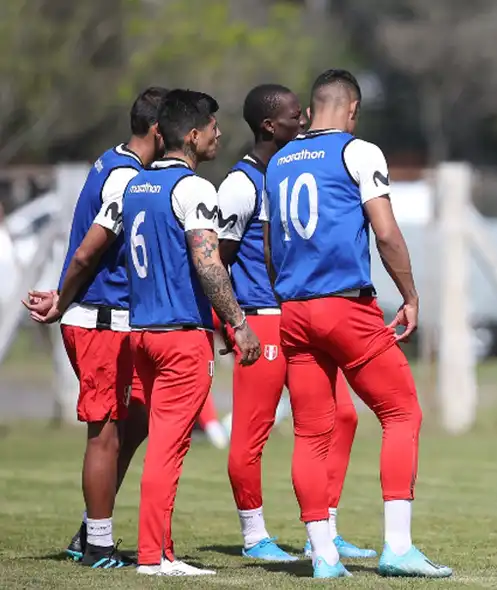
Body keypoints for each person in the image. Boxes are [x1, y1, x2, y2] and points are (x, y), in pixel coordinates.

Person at [262, 68, 451, 579]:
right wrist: (410, 296)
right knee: (401, 413)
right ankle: (398, 547)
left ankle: (323, 557)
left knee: (310, 432)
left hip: (295, 310)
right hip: (345, 306)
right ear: (351, 109)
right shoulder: (357, 151)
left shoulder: (277, 162)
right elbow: (386, 233)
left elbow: (271, 247)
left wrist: (290, 292)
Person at [216, 83, 374, 562]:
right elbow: (214, 261)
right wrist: (229, 322)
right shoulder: (242, 183)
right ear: (269, 126)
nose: (302, 122)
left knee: (341, 417)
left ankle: (321, 528)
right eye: (292, 117)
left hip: (300, 318)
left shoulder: (291, 168)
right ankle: (253, 534)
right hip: (261, 322)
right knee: (251, 431)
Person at [21, 87, 169, 568]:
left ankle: (90, 528)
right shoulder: (125, 179)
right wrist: (62, 300)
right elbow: (87, 250)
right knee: (104, 434)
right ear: (158, 131)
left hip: (111, 320)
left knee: (137, 421)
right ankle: (99, 545)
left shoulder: (114, 161)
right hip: (100, 321)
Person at [122, 88, 262, 576]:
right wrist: (239, 323)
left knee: (161, 442)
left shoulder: (136, 186)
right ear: (194, 133)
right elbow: (208, 264)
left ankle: (159, 548)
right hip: (180, 334)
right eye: (213, 126)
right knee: (169, 445)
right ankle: (153, 556)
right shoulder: (194, 188)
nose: (220, 134)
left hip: (142, 331)